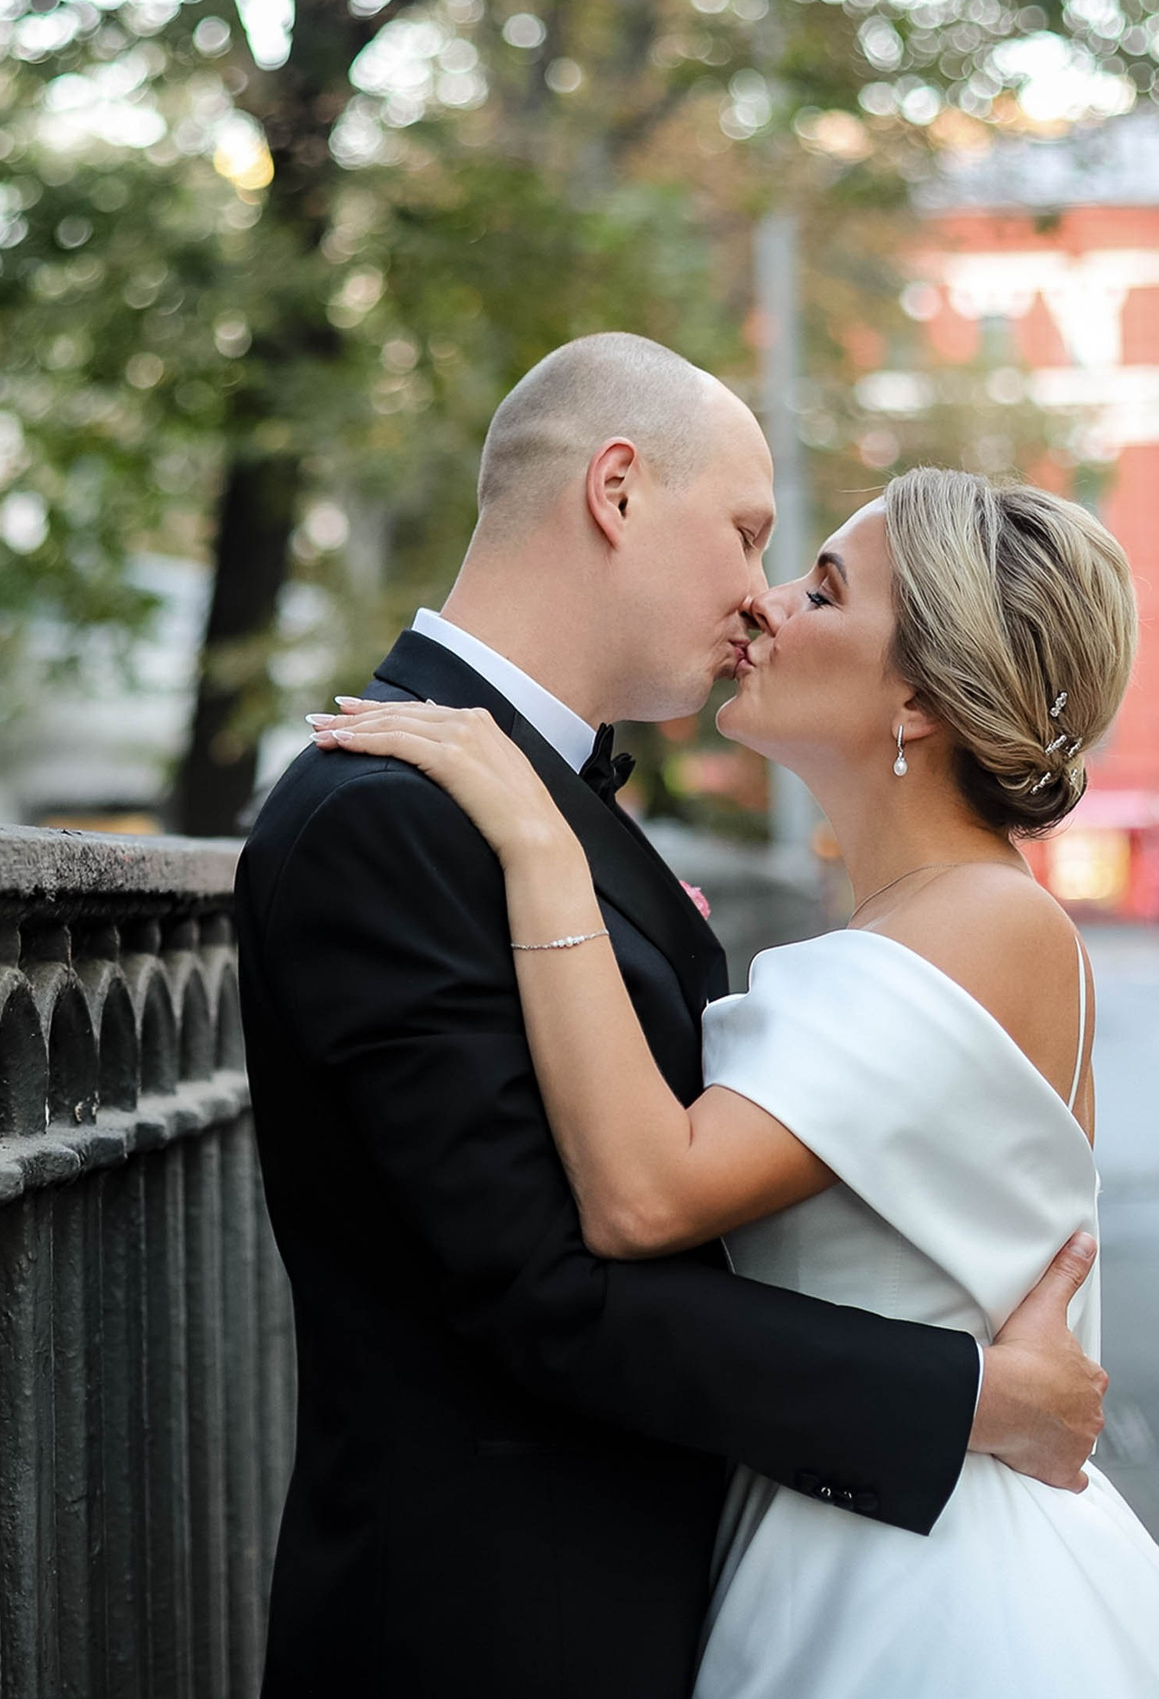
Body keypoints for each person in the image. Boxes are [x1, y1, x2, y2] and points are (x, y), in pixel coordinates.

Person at [236, 334, 1109, 1699]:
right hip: (498, 1634)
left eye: (803, 570)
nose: (763, 600)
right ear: (618, 493)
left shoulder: (527, 807)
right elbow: (543, 1292)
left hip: (719, 1591)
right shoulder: (389, 815)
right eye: (753, 536)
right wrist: (966, 1401)